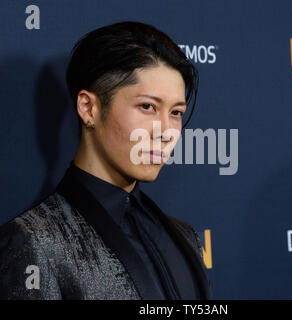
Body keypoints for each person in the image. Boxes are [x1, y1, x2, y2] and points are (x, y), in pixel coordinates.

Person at [0, 21, 212, 300]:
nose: (166, 133)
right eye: (147, 107)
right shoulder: (35, 241)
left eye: (175, 113)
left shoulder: (185, 237)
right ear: (88, 108)